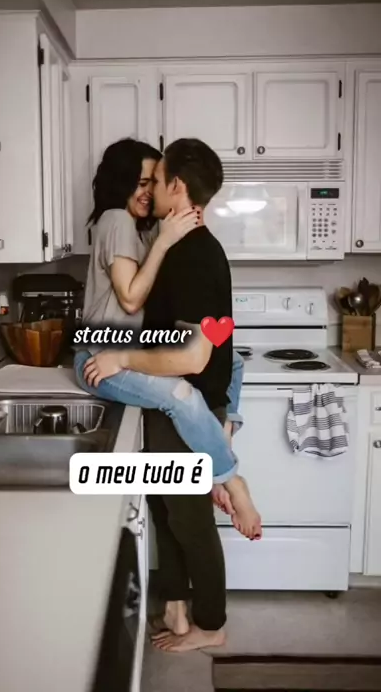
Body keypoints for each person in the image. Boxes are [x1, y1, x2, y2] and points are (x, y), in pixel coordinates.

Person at [74, 138, 260, 539]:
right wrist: (164, 239)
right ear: (123, 182)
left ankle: (222, 439)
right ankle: (230, 477)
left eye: (152, 182)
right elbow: (130, 299)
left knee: (231, 360)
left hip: (126, 350)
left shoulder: (142, 230)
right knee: (182, 395)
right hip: (101, 355)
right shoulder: (117, 220)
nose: (147, 191)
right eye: (142, 182)